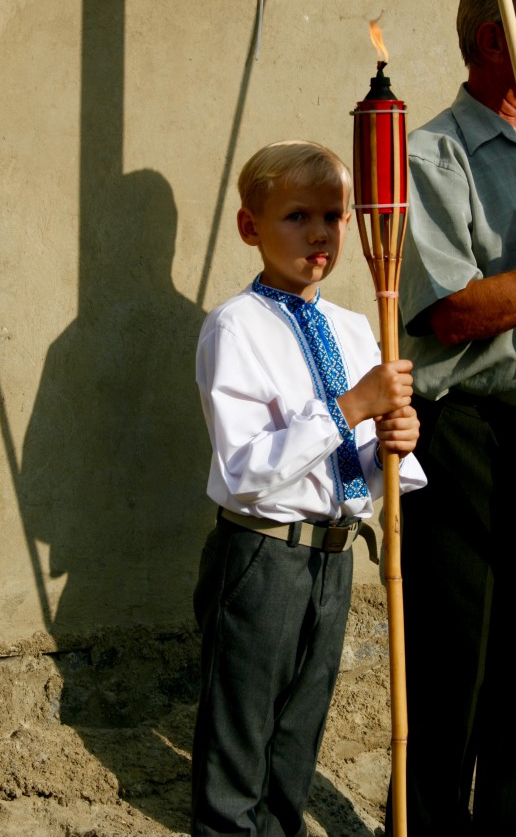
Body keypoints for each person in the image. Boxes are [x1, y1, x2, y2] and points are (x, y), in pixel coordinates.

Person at [394, 0, 516, 837]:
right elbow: (453, 312)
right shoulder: (431, 155)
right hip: (463, 439)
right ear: (492, 41)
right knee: (454, 665)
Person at [191, 140, 425, 837]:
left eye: (334, 215)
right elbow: (247, 470)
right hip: (262, 557)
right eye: (296, 216)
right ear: (249, 228)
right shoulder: (235, 328)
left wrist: (397, 441)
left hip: (334, 553)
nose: (319, 234)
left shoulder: (357, 328)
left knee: (297, 743)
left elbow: (370, 464)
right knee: (241, 743)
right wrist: (351, 407)